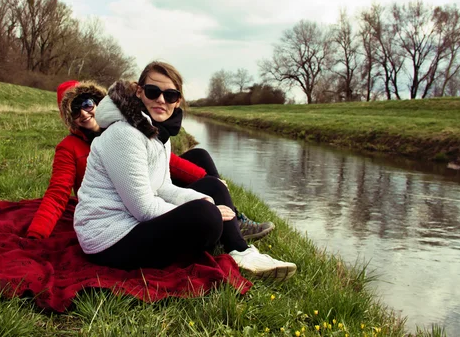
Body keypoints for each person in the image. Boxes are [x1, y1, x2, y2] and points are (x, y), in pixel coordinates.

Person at [74, 62, 296, 280]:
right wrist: (206, 209)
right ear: (140, 92)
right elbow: (143, 209)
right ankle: (228, 239)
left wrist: (205, 198)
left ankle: (240, 252)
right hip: (109, 236)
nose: (161, 100)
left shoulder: (157, 133)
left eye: (170, 95)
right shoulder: (124, 134)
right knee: (205, 216)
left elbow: (163, 187)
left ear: (177, 101)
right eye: (153, 92)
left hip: (133, 221)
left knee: (213, 186)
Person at [26, 80, 273, 240]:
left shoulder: (120, 126)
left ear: (99, 103)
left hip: (147, 184)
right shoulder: (69, 148)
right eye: (74, 110)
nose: (83, 112)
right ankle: (227, 226)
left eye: (88, 103)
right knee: (202, 197)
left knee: (199, 157)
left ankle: (233, 219)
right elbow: (58, 193)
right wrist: (37, 235)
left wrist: (210, 181)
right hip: (120, 202)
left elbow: (167, 163)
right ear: (68, 118)